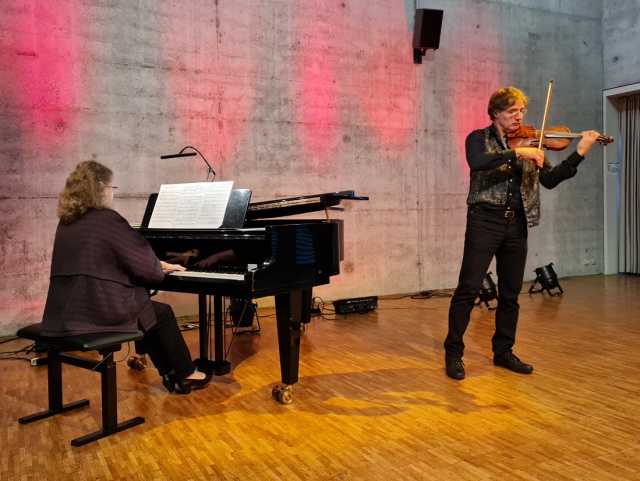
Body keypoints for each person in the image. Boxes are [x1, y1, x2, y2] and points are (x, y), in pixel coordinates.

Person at [443, 87, 602, 380]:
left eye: (521, 111)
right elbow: (477, 162)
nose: (519, 117)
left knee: (511, 293)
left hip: (516, 224)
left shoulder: (533, 141)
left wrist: (579, 153)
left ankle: (503, 351)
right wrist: (518, 151)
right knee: (467, 289)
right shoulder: (478, 139)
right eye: (512, 111)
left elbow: (551, 180)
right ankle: (454, 353)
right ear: (495, 113)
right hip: (483, 221)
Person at [41, 160, 213, 394]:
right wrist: (158, 266)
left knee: (147, 309)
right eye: (112, 188)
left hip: (68, 309)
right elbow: (148, 271)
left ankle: (173, 373)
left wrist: (156, 264)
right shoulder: (107, 220)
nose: (113, 193)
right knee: (158, 313)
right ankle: (186, 373)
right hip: (96, 310)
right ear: (100, 188)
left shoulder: (68, 221)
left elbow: (100, 262)